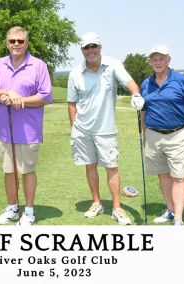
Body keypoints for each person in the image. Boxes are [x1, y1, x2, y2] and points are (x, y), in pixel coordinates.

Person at [67, 32, 144, 225]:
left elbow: (129, 82)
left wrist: (135, 94)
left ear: (100, 47)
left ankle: (117, 207)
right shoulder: (75, 73)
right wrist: (74, 126)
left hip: (106, 129)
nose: (90, 50)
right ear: (82, 50)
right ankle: (96, 202)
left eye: (94, 46)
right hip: (82, 129)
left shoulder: (113, 65)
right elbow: (71, 102)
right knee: (90, 165)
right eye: (86, 47)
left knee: (111, 167)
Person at [0, 26, 53, 226]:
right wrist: (7, 92)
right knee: (9, 171)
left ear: (26, 43)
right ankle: (12, 209)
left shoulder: (38, 65)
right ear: (7, 43)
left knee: (27, 171)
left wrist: (20, 100)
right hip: (4, 129)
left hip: (28, 130)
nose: (16, 44)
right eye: (13, 41)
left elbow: (45, 96)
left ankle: (29, 211)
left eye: (20, 41)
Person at [140, 44, 184, 226]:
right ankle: (171, 210)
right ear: (150, 61)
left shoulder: (181, 81)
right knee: (163, 175)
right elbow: (144, 111)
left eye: (161, 59)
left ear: (168, 60)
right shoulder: (145, 84)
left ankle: (179, 219)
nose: (158, 62)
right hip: (153, 135)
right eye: (154, 59)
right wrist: (144, 135)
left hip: (178, 134)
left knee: (178, 177)